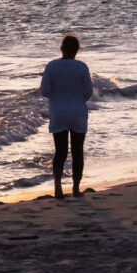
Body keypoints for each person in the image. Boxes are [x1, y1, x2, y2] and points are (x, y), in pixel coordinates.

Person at [40, 34, 96, 198]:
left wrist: (58, 97)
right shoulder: (82, 67)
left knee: (60, 151)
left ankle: (58, 188)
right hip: (78, 111)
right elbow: (88, 92)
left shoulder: (52, 66)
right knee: (78, 151)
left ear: (61, 48)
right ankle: (76, 188)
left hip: (59, 112)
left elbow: (45, 91)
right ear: (78, 50)